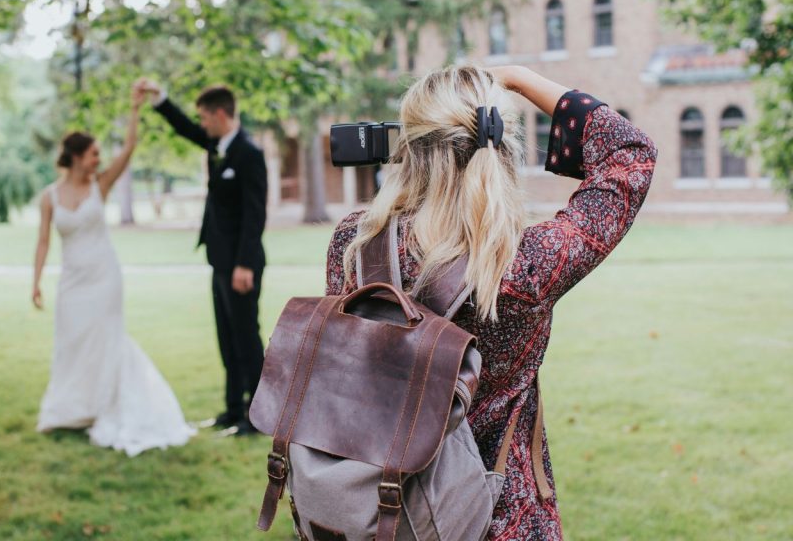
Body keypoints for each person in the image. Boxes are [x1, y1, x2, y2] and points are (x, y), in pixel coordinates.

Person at [324, 64, 657, 539]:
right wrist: (520, 78)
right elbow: (631, 153)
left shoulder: (355, 246)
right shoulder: (525, 265)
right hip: (503, 513)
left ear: (407, 148)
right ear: (500, 150)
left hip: (383, 510)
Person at [32, 84, 195, 455]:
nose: (97, 160)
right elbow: (43, 241)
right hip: (72, 280)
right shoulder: (49, 196)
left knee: (106, 339)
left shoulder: (100, 186)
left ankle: (103, 405)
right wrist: (36, 281)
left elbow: (129, 149)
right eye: (92, 154)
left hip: (104, 276)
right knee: (72, 341)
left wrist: (135, 109)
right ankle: (70, 409)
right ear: (75, 156)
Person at [136, 78, 267, 436]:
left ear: (221, 114)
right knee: (226, 337)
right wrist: (160, 100)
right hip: (219, 259)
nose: (202, 124)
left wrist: (243, 264)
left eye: (205, 117)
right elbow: (185, 129)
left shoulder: (249, 154)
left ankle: (256, 416)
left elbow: (255, 215)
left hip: (242, 264)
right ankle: (231, 410)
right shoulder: (216, 145)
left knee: (246, 338)